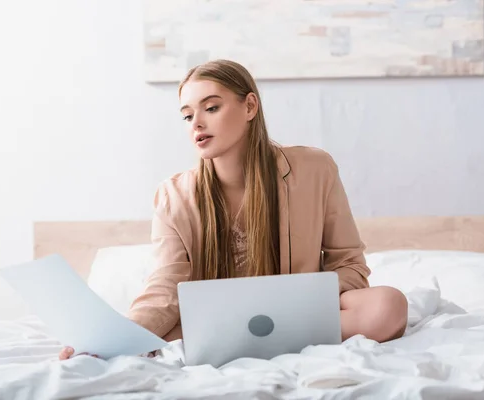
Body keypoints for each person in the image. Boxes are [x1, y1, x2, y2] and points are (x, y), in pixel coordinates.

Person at [59, 59, 408, 361]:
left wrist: (301, 298)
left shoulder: (315, 168)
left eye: (211, 108)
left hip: (295, 311)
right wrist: (117, 338)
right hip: (216, 320)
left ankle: (255, 339)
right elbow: (167, 286)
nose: (196, 123)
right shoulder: (173, 195)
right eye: (187, 115)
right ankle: (254, 339)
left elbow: (348, 262)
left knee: (387, 305)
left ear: (250, 107)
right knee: (156, 331)